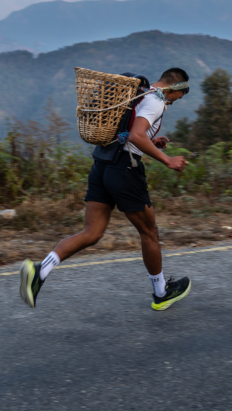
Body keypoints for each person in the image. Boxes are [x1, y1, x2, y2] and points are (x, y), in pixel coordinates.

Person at [19, 67, 192, 311]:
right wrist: (167, 159)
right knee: (149, 232)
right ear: (175, 88)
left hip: (102, 164)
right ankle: (161, 293)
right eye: (178, 97)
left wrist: (151, 142)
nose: (174, 103)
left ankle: (40, 270)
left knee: (92, 232)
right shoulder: (155, 101)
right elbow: (134, 137)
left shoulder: (140, 94)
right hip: (124, 171)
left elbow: (128, 133)